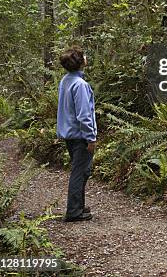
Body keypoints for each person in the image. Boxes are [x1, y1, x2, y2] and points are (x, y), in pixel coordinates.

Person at [56, 45, 97, 222]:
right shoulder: (80, 85)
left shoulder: (66, 80)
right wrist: (91, 138)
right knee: (80, 172)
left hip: (70, 135)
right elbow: (84, 115)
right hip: (80, 136)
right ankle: (74, 211)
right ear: (80, 62)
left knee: (80, 171)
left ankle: (78, 206)